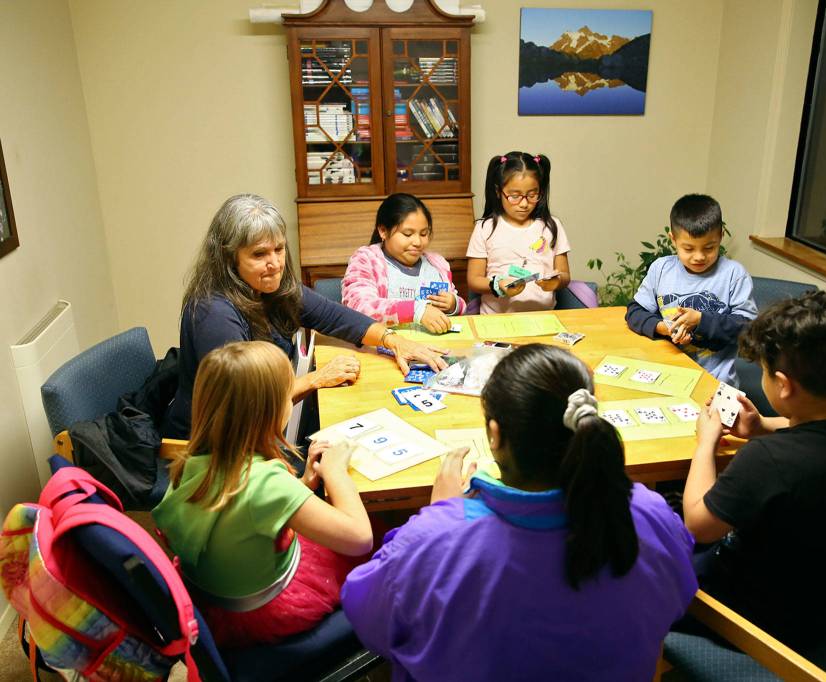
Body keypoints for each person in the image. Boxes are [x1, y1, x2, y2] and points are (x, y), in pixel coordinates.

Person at [342, 344, 698, 681]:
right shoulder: (650, 514)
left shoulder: (435, 540)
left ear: (494, 435)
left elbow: (369, 620)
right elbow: (676, 597)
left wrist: (440, 515)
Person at [680, 291, 826, 647]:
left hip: (757, 623)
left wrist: (706, 442)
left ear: (783, 384)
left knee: (635, 543)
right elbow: (807, 428)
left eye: (764, 372)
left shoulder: (770, 459)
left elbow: (697, 526)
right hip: (820, 600)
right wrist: (760, 425)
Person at [164, 193, 447, 439]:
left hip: (270, 425)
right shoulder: (213, 312)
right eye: (259, 254)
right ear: (229, 258)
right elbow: (246, 400)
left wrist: (393, 340)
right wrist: (316, 379)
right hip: (219, 449)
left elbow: (335, 317)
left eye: (279, 249)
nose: (275, 264)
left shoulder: (273, 288)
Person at [153, 341, 372, 647]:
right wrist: (335, 471)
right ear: (268, 412)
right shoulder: (266, 482)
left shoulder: (190, 464)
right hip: (262, 611)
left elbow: (243, 517)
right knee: (384, 543)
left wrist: (304, 483)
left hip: (213, 598)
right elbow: (360, 538)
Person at [625, 194, 757, 386]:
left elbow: (749, 328)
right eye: (688, 249)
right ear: (673, 239)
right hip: (666, 374)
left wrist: (701, 321)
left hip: (715, 381)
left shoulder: (734, 275)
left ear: (721, 236)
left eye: (709, 248)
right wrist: (663, 328)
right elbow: (634, 312)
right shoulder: (661, 269)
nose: (699, 257)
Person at [342, 193, 467, 334]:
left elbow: (459, 308)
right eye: (408, 234)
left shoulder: (437, 265)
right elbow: (359, 307)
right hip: (385, 344)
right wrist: (417, 311)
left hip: (432, 344)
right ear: (383, 231)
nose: (418, 242)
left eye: (424, 234)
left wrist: (453, 304)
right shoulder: (366, 260)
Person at [466, 152, 572, 314]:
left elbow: (565, 275)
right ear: (498, 191)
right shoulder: (485, 228)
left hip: (544, 317)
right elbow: (474, 280)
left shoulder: (552, 226)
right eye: (514, 196)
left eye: (532, 195)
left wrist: (557, 281)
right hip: (496, 319)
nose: (524, 204)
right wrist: (497, 285)